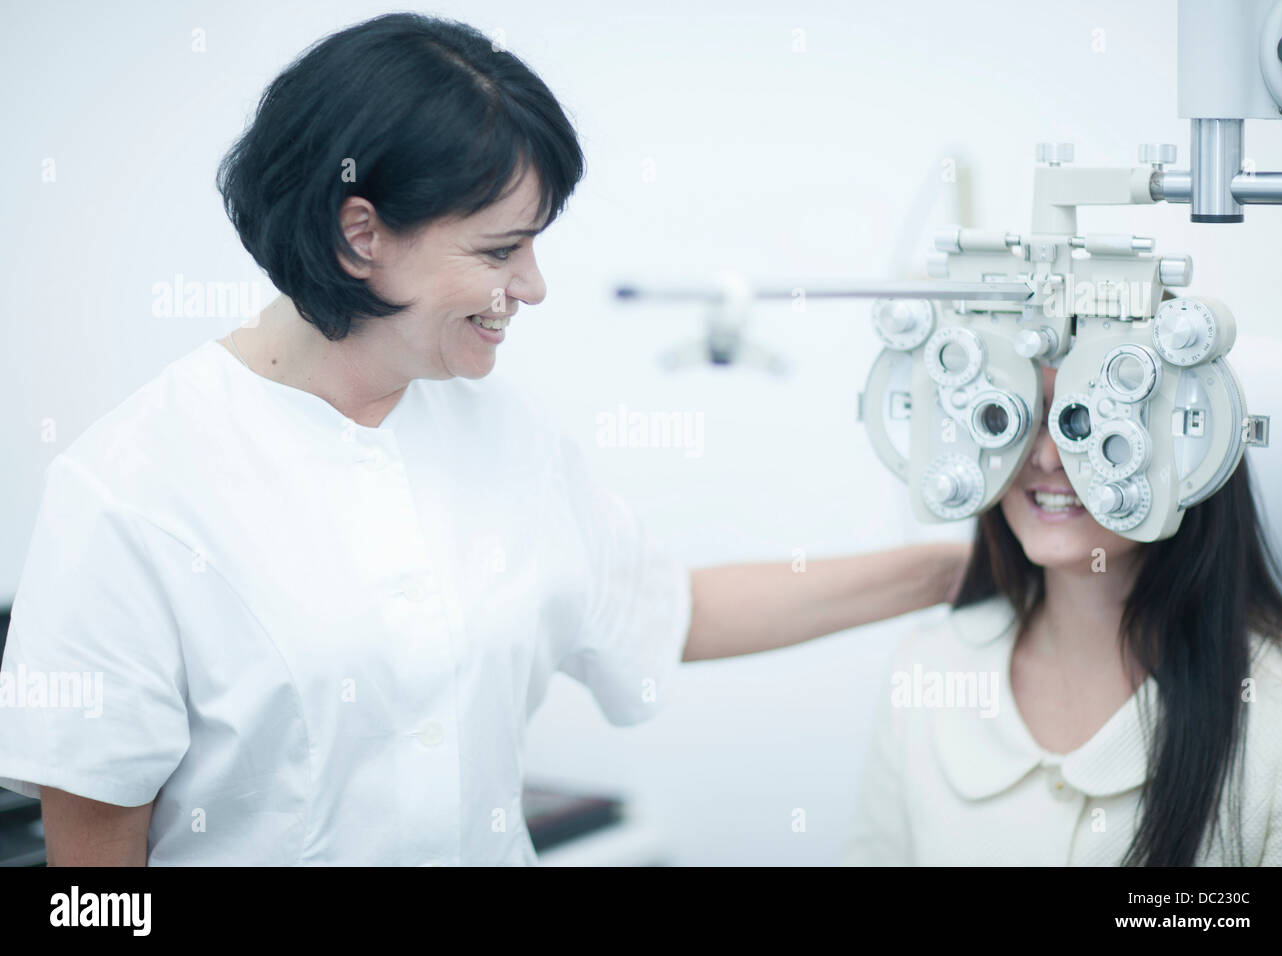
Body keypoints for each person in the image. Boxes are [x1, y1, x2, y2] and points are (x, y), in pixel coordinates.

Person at [0, 13, 967, 866]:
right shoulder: (133, 490)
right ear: (358, 235)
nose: (534, 287)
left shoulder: (499, 435)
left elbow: (676, 612)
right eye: (501, 251)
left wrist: (962, 569)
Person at [843, 361, 1282, 865]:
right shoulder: (927, 667)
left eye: (1087, 419)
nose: (1048, 455)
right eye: (1015, 416)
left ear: (1193, 435)